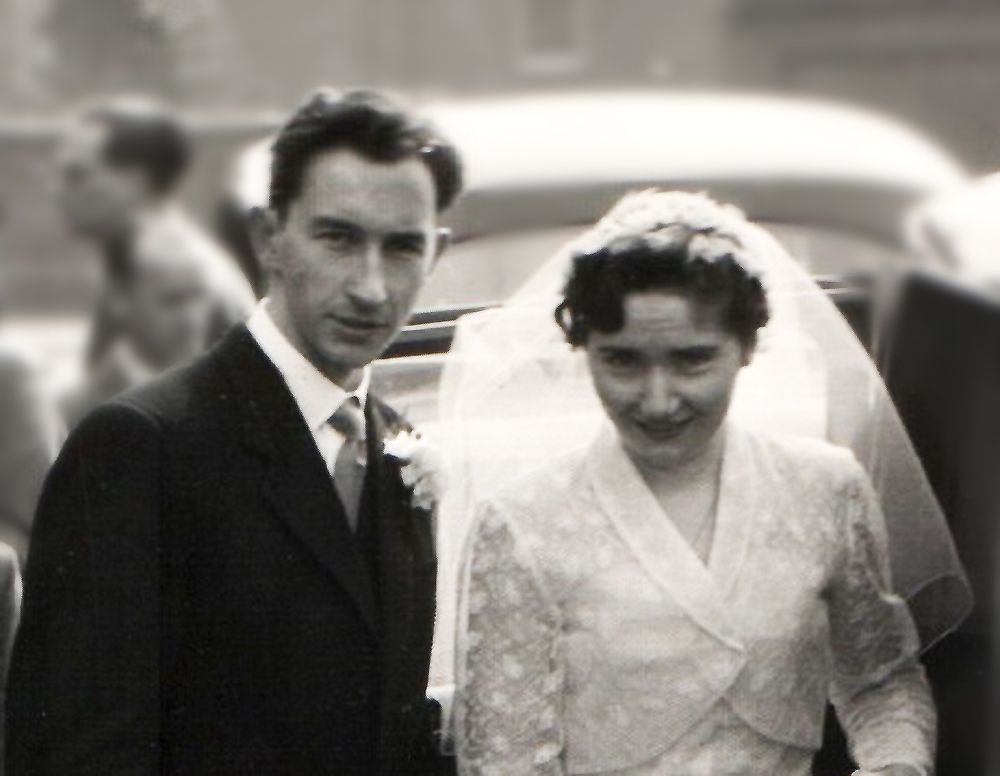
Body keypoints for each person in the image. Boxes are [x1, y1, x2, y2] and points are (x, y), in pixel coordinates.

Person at [7, 88, 463, 774]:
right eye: (337, 239)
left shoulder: (399, 450)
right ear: (268, 239)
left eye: (402, 248)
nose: (370, 288)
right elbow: (79, 751)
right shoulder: (139, 447)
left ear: (437, 255)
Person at [452, 192, 960, 776]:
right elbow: (508, 762)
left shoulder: (827, 490)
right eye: (622, 361)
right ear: (583, 350)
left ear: (747, 347)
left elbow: (879, 682)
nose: (657, 400)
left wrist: (896, 767)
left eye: (692, 360)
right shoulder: (522, 524)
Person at [56, 95, 254, 370]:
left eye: (76, 175)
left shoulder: (167, 272)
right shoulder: (139, 255)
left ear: (134, 181)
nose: (59, 190)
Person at [61, 222, 216, 428]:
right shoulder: (74, 413)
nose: (191, 319)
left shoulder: (227, 396)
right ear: (119, 299)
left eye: (198, 296)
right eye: (172, 300)